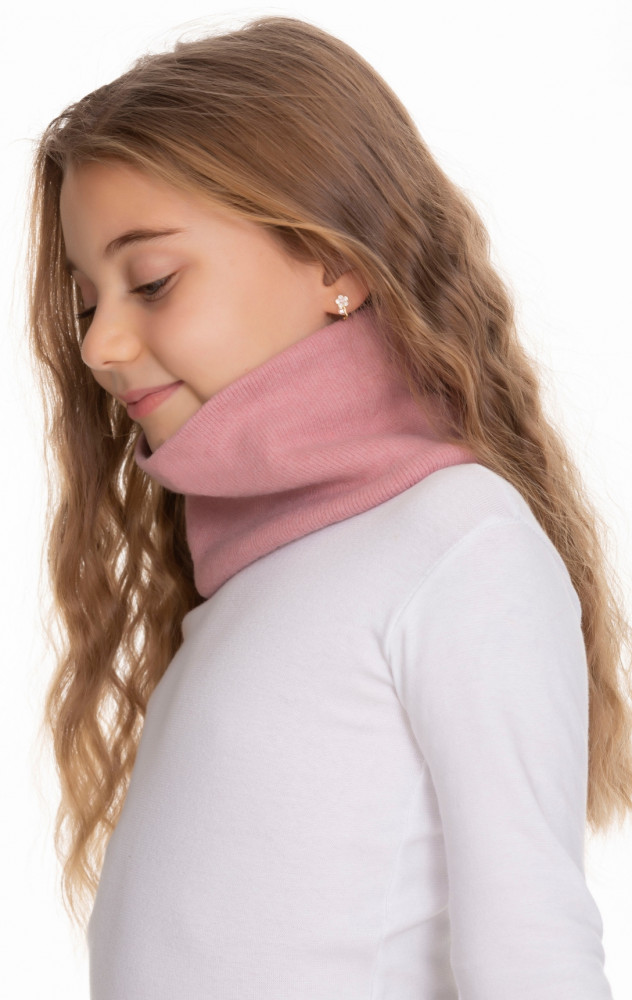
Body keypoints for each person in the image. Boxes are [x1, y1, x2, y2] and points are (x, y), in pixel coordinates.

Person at [24, 14, 630, 1000]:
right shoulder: (247, 577)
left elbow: (534, 960)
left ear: (335, 265)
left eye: (152, 281)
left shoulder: (458, 544)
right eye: (88, 300)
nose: (98, 345)